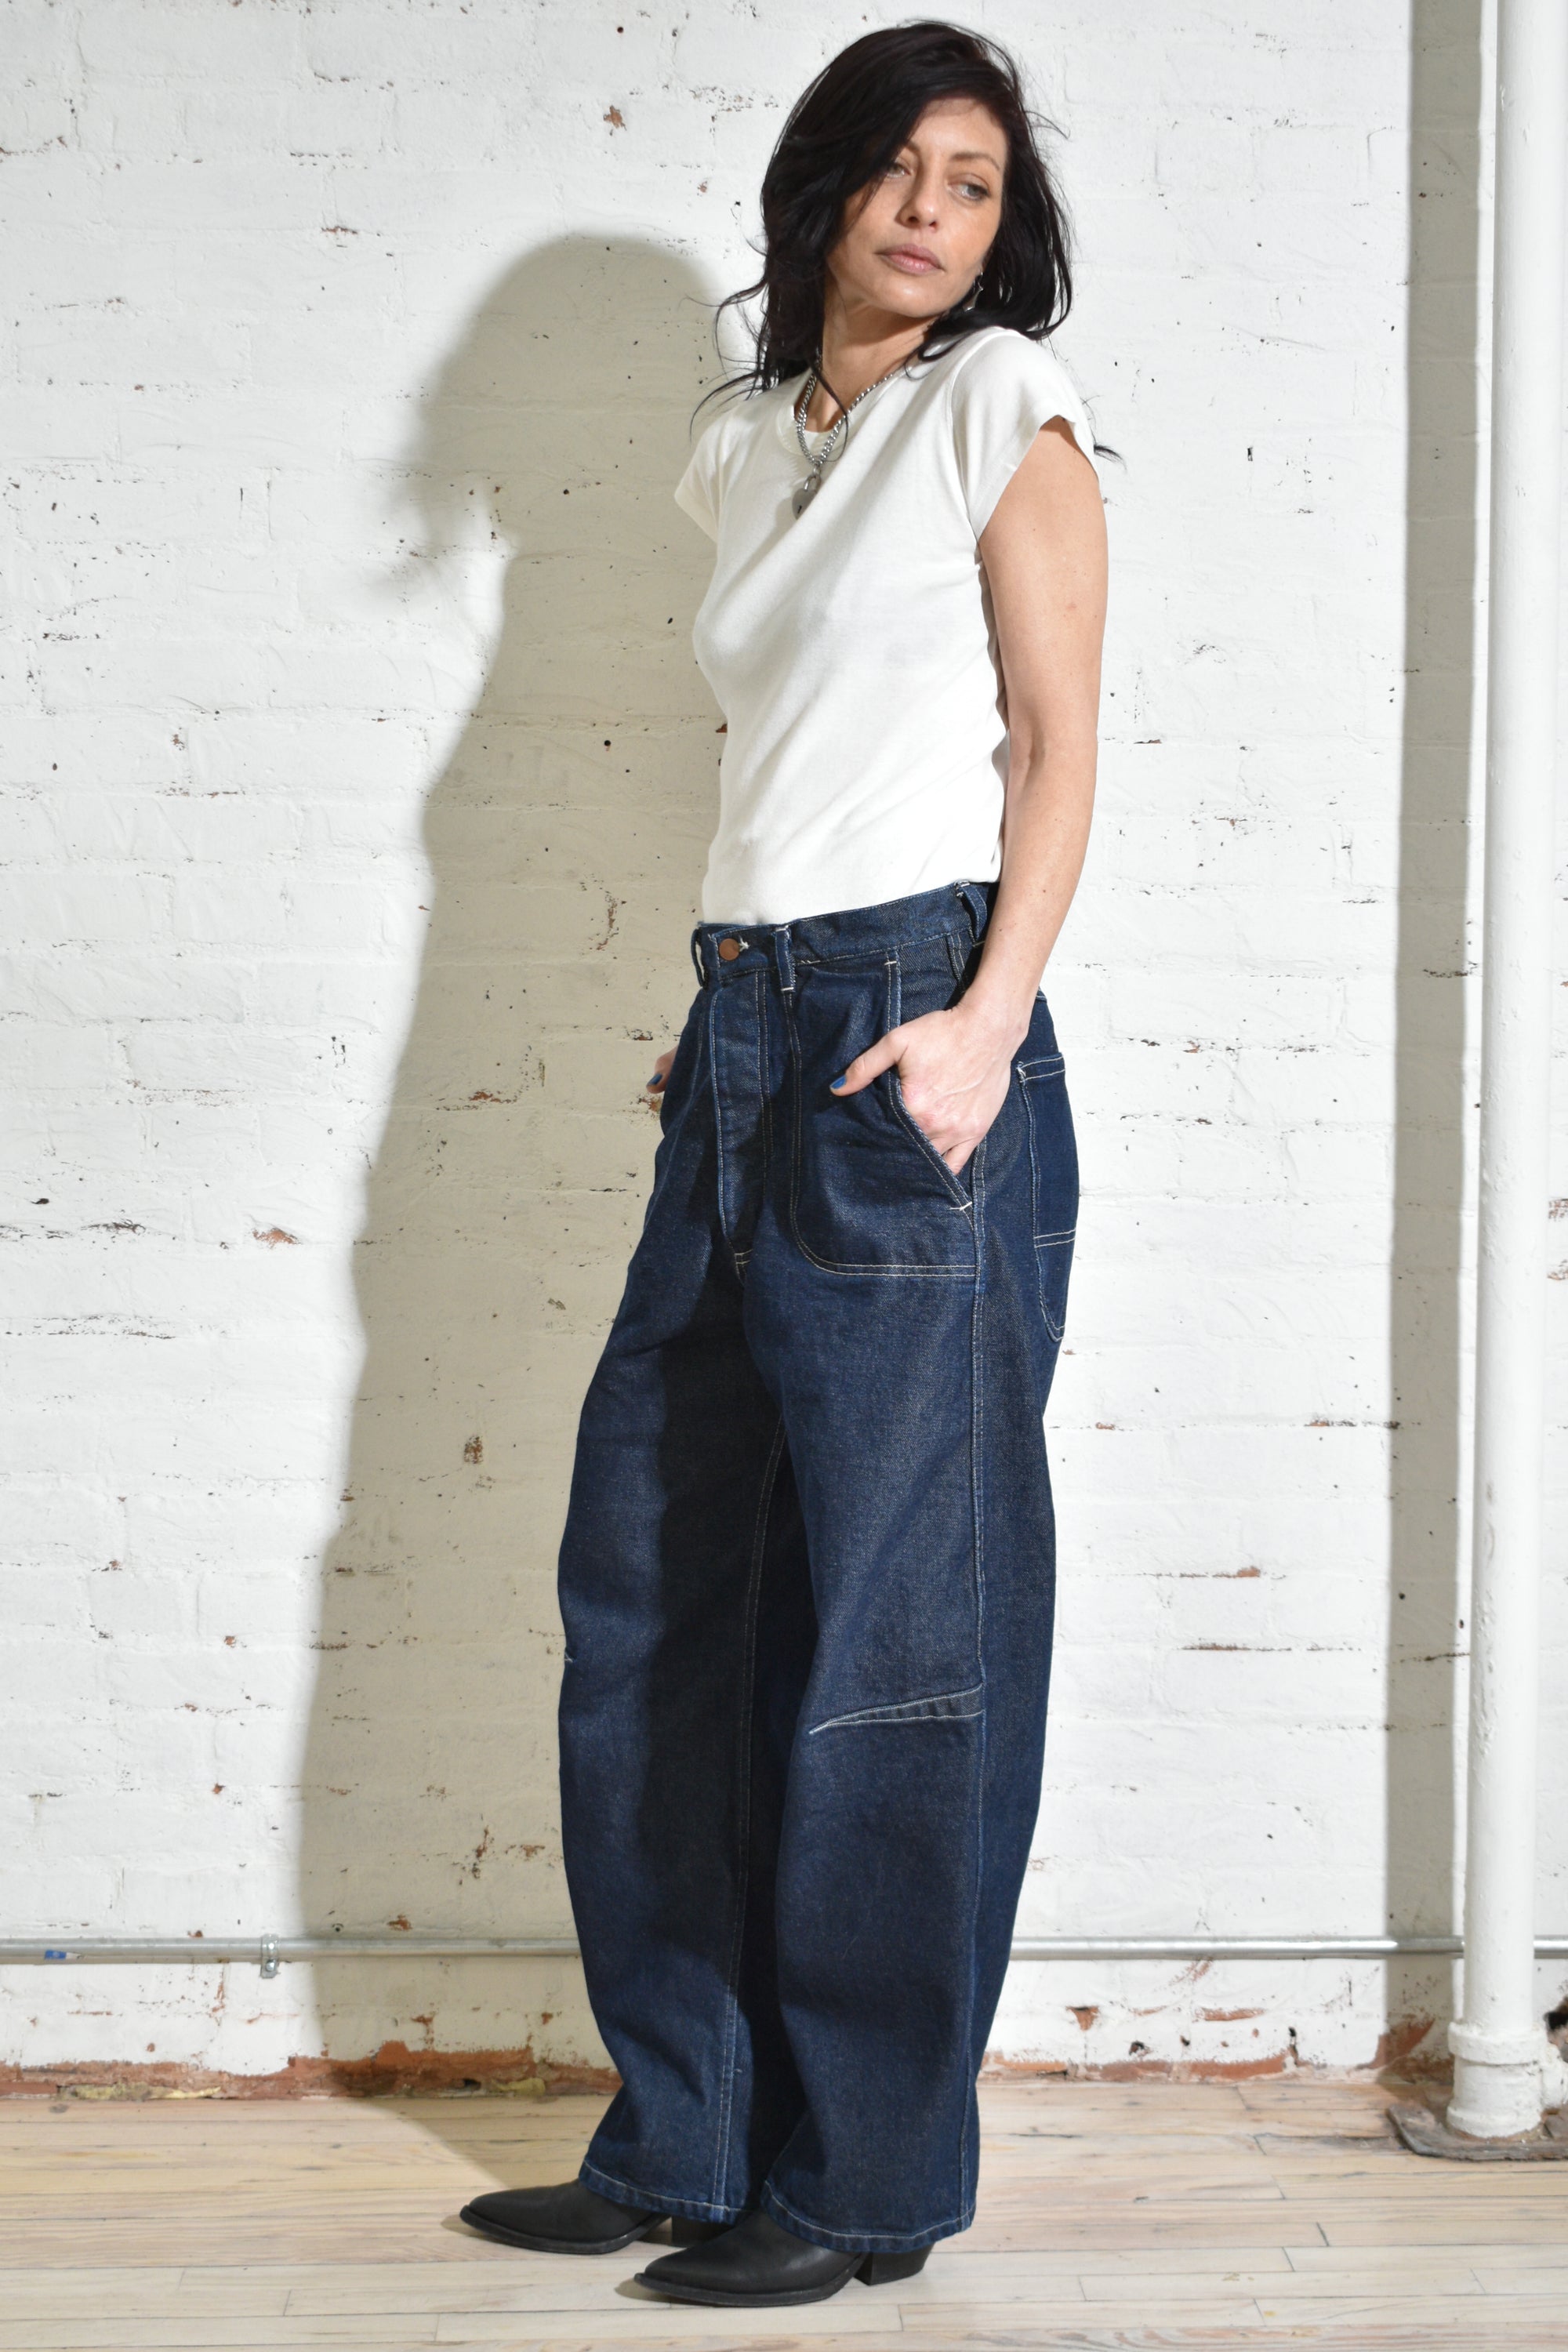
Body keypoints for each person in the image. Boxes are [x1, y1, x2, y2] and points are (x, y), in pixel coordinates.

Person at [459, 18, 1108, 2310]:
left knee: (897, 1638)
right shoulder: (745, 443)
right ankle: (687, 2133)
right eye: (900, 168)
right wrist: (725, 1021)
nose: (933, 210)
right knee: (654, 1591)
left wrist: (981, 1022)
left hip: (916, 1023)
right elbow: (791, 749)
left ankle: (859, 2181)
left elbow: (1056, 747)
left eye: (973, 179)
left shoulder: (999, 405)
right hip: (749, 1030)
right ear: (827, 186)